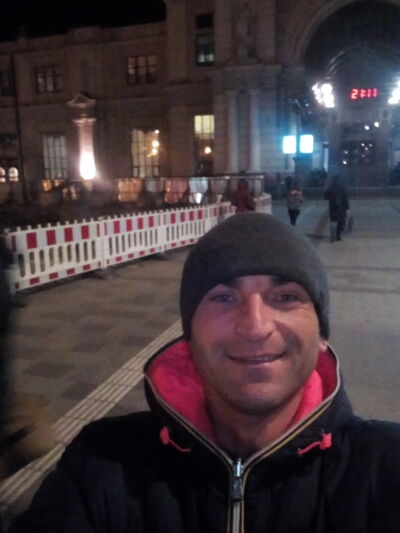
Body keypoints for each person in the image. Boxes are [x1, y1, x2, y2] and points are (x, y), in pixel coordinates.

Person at [10, 213, 400, 533]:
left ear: (321, 335)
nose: (254, 327)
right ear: (190, 338)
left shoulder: (384, 467)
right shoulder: (102, 464)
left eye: (285, 297)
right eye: (223, 297)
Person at [324, 175, 350, 242]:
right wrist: (348, 207)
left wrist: (331, 198)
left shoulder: (330, 187)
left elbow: (325, 197)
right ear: (339, 180)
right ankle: (338, 235)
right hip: (341, 208)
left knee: (333, 220)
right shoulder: (343, 187)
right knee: (340, 222)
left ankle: (333, 235)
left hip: (333, 207)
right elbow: (346, 198)